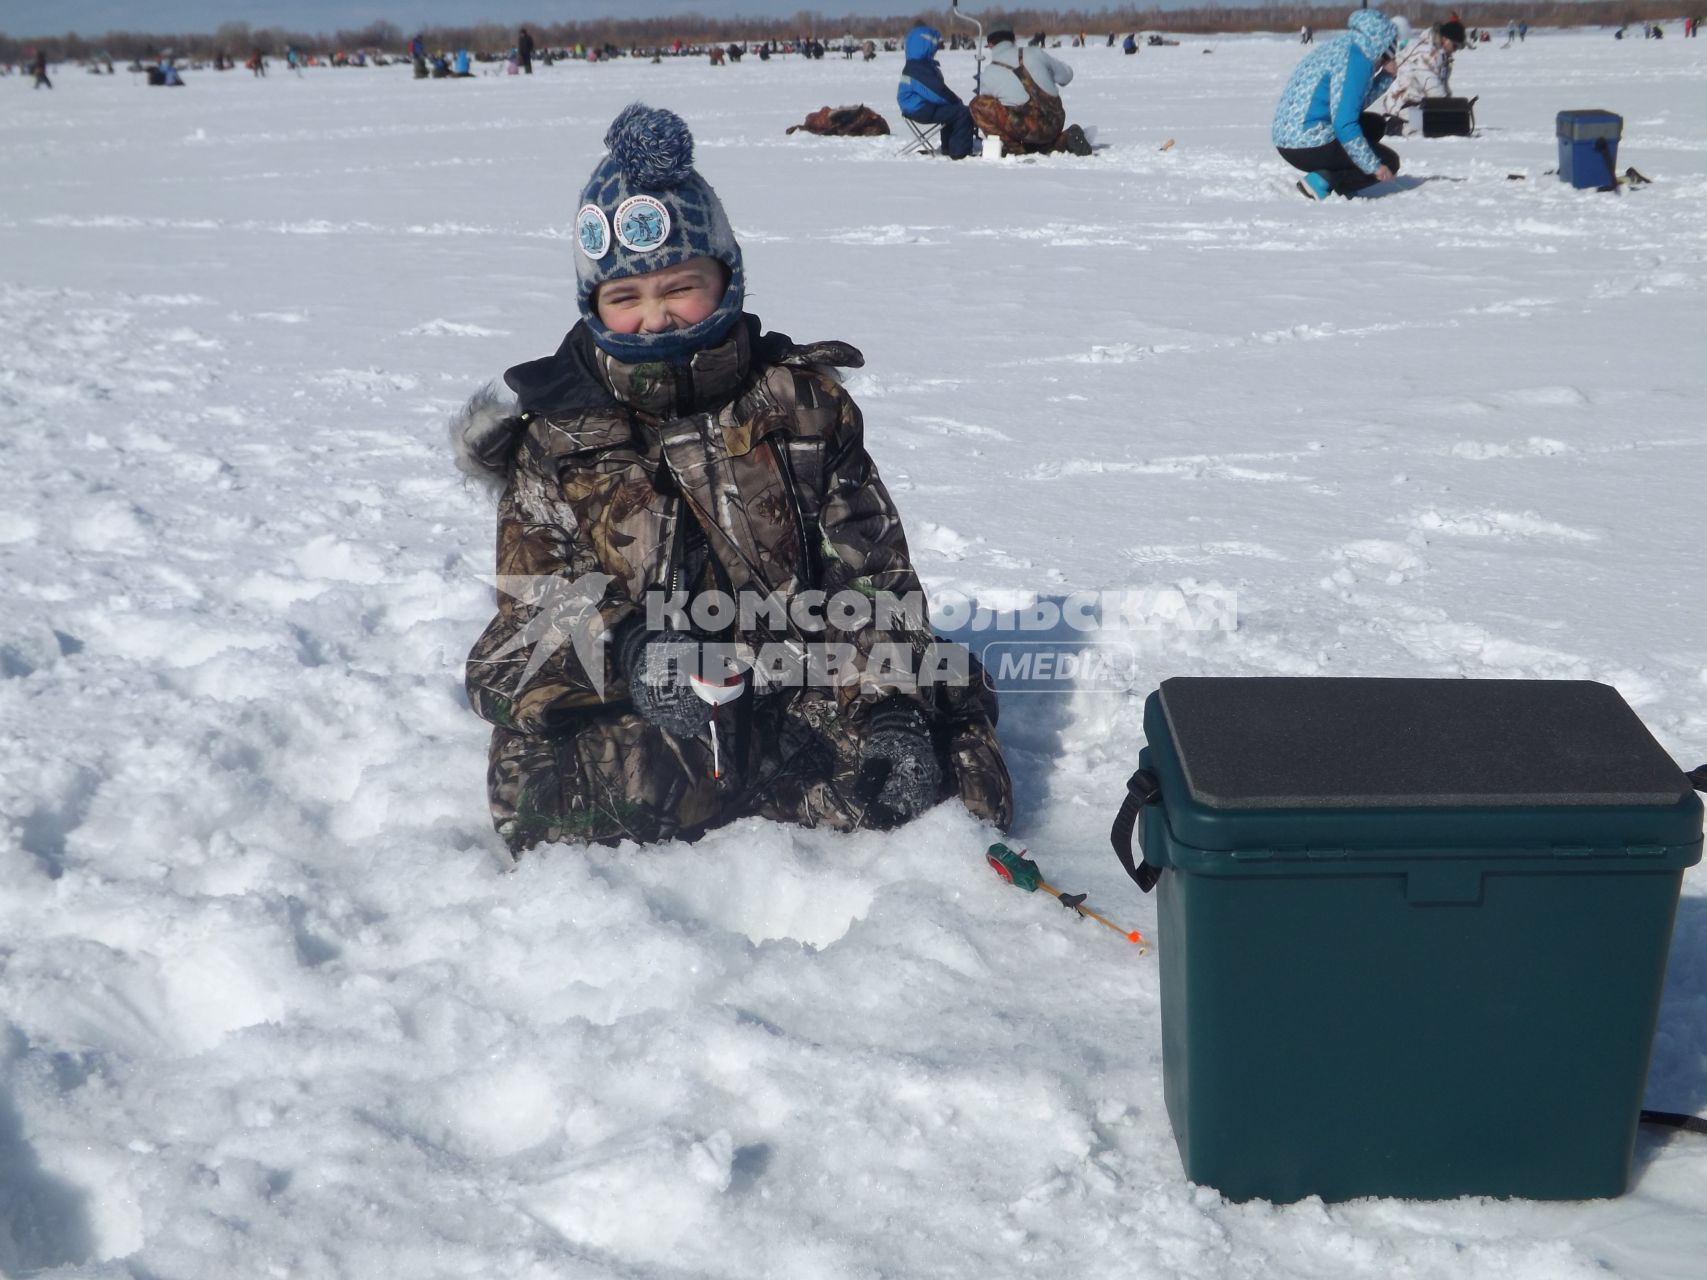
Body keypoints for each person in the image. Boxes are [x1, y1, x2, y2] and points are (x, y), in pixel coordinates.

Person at [452, 104, 1014, 854]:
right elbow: (528, 623)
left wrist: (889, 709)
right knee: (574, 809)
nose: (652, 317)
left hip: (803, 676)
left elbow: (874, 580)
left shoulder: (804, 407)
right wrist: (634, 650)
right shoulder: (556, 441)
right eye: (624, 298)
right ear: (592, 307)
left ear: (726, 277)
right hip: (654, 704)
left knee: (950, 783)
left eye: (679, 286)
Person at [1273, 8, 1400, 199]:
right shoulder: (1358, 61)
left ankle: (1333, 172)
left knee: (1374, 125)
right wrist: (1374, 166)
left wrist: (1385, 77)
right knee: (1389, 161)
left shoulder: (1343, 47)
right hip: (1305, 144)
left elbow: (1348, 104)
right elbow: (1344, 123)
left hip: (1290, 138)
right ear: (1384, 44)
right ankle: (1325, 180)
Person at [969, 27, 1091, 156]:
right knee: (1034, 128)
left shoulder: (989, 73)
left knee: (977, 105)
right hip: (1054, 123)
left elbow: (994, 111)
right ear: (1013, 40)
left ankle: (1012, 148)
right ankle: (1063, 140)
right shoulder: (1035, 53)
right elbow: (1067, 76)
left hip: (1025, 129)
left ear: (991, 45)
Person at [897, 24, 975, 159]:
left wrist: (953, 102)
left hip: (915, 107)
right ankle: (959, 152)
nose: (936, 50)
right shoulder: (918, 68)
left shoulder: (916, 64)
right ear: (925, 45)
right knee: (962, 112)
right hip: (918, 109)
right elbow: (936, 92)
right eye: (934, 46)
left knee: (952, 109)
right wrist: (955, 100)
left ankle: (948, 147)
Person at [1377, 19, 1464, 135]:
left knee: (1437, 123)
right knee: (1424, 128)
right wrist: (1449, 111)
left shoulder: (1439, 55)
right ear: (1445, 39)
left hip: (1416, 102)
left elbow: (1442, 88)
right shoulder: (1426, 53)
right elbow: (1433, 88)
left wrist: (1452, 107)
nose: (1455, 50)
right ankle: (1396, 127)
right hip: (1402, 105)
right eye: (1455, 46)